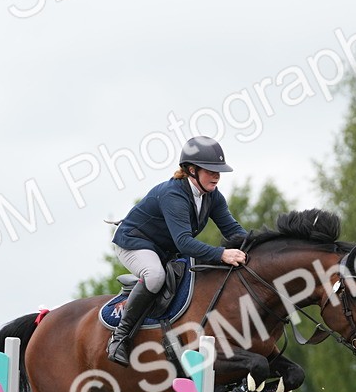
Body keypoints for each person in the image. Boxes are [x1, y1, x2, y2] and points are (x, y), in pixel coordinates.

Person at [105, 136, 249, 366]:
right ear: (191, 170)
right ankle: (119, 338)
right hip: (134, 242)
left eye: (218, 171)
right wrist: (222, 254)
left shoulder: (212, 196)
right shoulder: (174, 194)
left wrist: (256, 247)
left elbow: (233, 230)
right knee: (155, 275)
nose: (217, 176)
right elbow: (184, 242)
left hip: (164, 249)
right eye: (210, 170)